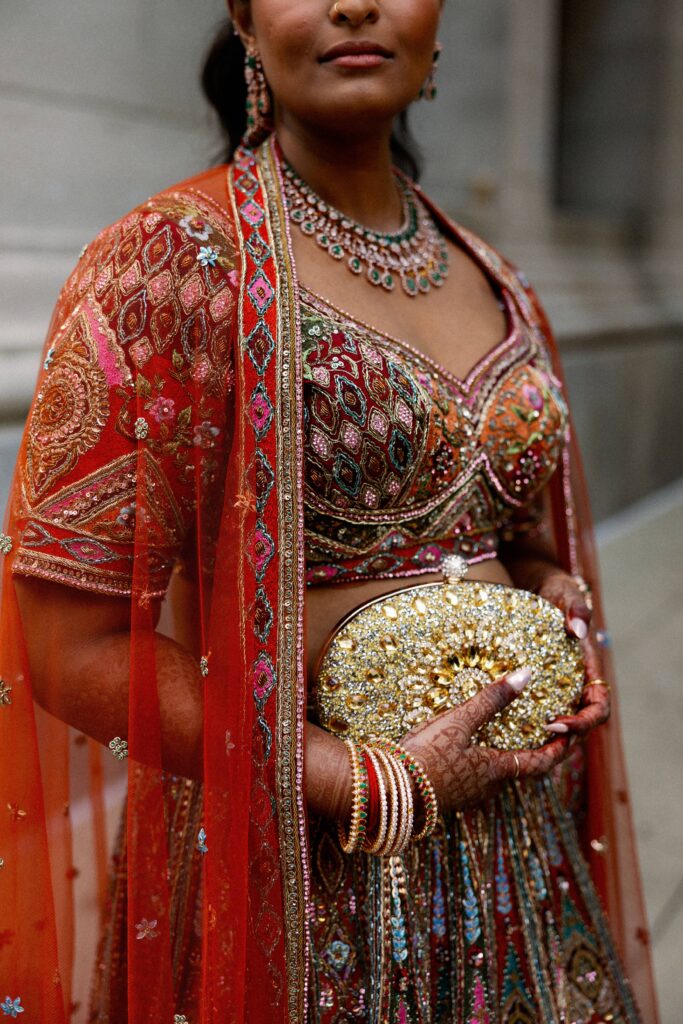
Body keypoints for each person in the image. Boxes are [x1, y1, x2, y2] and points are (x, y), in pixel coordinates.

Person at [0, 1, 659, 1021]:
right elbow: (67, 641)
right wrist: (357, 779)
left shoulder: (500, 281)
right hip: (303, 862)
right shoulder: (173, 264)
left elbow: (526, 543)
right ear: (244, 19)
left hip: (518, 856)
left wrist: (555, 611)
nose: (354, 1)